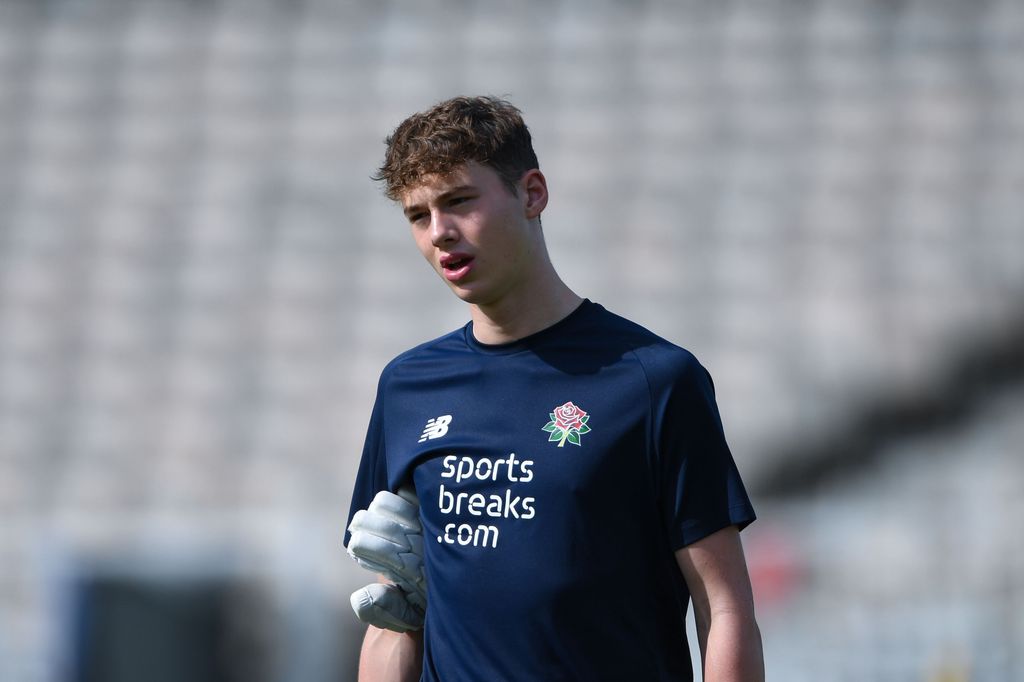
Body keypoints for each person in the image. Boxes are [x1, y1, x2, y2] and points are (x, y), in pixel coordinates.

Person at [343, 95, 764, 682]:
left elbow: (722, 607)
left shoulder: (654, 380)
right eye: (418, 215)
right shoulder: (407, 387)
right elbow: (396, 608)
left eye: (459, 201)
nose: (440, 233)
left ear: (532, 193)